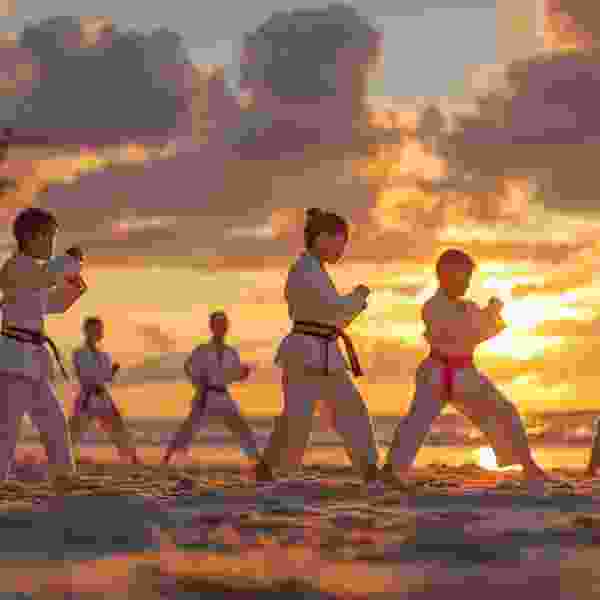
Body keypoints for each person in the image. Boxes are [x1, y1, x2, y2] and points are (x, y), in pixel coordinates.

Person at [380, 248, 551, 484]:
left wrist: (491, 314)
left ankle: (528, 465)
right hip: (436, 373)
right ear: (445, 275)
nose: (467, 283)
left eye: (469, 278)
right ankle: (392, 470)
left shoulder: (468, 307)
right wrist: (486, 315)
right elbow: (459, 331)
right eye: (463, 277)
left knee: (504, 411)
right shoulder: (431, 307)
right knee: (416, 423)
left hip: (465, 373)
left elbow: (480, 334)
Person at [253, 207, 383, 485]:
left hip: (324, 352)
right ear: (322, 237)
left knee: (351, 410)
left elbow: (334, 318)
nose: (342, 250)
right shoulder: (304, 270)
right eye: (340, 242)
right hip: (305, 352)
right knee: (297, 419)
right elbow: (334, 312)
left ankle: (369, 468)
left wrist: (354, 303)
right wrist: (358, 298)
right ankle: (275, 470)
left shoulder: (314, 269)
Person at [0, 207, 87, 490]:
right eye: (48, 236)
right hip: (13, 362)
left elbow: (53, 304)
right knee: (7, 429)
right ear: (29, 237)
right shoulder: (15, 268)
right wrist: (70, 261)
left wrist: (74, 288)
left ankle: (64, 477)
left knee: (54, 423)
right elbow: (47, 276)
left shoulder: (33, 273)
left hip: (33, 363)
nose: (51, 243)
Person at [162, 311, 261, 466]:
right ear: (212, 327)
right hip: (206, 395)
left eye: (224, 324)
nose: (222, 327)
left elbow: (234, 375)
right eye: (218, 324)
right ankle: (167, 459)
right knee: (188, 429)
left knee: (242, 428)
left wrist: (243, 374)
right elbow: (188, 367)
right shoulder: (203, 350)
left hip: (223, 395)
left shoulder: (231, 353)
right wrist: (199, 384)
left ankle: (256, 461)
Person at [69, 316, 141, 465]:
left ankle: (132, 458)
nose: (100, 332)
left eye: (100, 329)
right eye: (97, 329)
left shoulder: (104, 355)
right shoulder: (79, 353)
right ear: (87, 331)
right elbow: (86, 375)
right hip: (87, 396)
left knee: (118, 428)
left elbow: (106, 378)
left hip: (102, 396)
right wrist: (105, 375)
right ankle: (61, 457)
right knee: (74, 431)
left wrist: (112, 372)